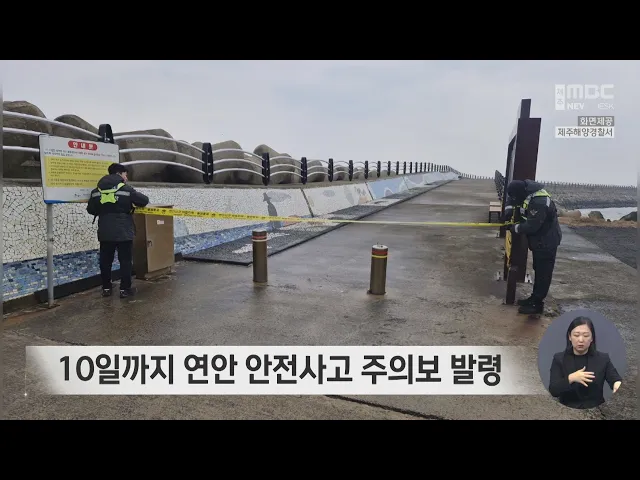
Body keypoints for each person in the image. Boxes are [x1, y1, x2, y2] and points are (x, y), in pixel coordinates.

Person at [87, 163, 149, 298]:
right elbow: (144, 200)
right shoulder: (126, 189)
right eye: (125, 174)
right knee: (125, 261)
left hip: (105, 231)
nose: (126, 177)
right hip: (123, 231)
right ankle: (124, 290)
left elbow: (90, 210)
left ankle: (106, 288)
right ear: (120, 173)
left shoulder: (96, 190)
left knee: (105, 261)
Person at [502, 179, 562, 314]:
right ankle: (534, 298)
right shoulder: (526, 191)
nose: (514, 199)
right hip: (539, 241)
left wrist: (514, 228)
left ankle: (537, 304)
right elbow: (511, 198)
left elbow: (532, 226)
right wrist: (508, 211)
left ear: (521, 193)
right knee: (538, 269)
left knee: (543, 273)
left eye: (516, 197)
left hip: (547, 242)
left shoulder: (539, 202)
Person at [548, 316, 623, 409]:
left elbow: (615, 379)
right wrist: (571, 378)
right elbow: (553, 390)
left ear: (592, 338)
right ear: (570, 337)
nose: (581, 340)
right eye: (576, 335)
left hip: (596, 410)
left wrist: (617, 384)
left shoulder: (603, 359)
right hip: (567, 410)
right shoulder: (559, 358)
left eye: (586, 335)